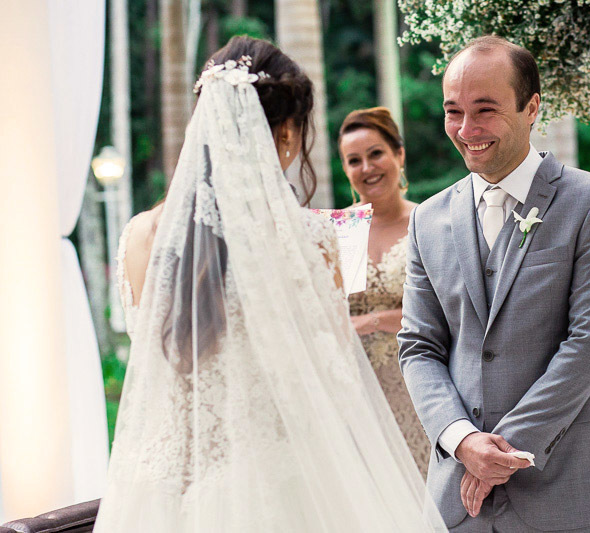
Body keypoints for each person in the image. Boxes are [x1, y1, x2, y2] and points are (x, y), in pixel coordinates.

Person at [96, 35, 445, 532]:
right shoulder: (310, 239)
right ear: (285, 133)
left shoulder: (137, 236)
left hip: (156, 490)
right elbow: (333, 381)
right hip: (273, 487)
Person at [398, 35, 590, 532]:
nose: (466, 129)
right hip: (459, 499)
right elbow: (419, 347)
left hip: (566, 493)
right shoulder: (427, 220)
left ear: (531, 108)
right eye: (453, 112)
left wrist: (502, 454)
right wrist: (463, 441)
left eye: (485, 110)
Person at [338, 107, 430, 476]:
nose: (367, 168)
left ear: (399, 155)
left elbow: (448, 313)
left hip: (417, 390)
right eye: (354, 160)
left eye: (376, 153)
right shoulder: (340, 231)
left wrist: (372, 321)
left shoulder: (427, 223)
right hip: (355, 399)